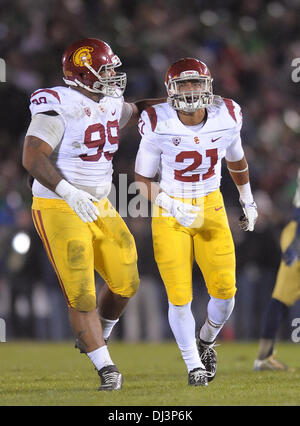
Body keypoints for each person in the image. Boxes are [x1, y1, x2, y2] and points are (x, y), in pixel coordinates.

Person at [22, 38, 164, 391]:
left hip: (101, 203)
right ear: (83, 73)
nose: (113, 75)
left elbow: (138, 110)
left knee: (127, 280)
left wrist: (176, 105)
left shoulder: (109, 103)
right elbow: (32, 157)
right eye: (105, 70)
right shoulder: (58, 105)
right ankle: (106, 367)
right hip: (60, 204)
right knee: (81, 292)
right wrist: (68, 190)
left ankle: (98, 332)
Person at [135, 58, 258, 386]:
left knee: (226, 293)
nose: (190, 91)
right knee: (179, 295)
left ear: (209, 86)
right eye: (183, 85)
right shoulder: (156, 121)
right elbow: (141, 180)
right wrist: (170, 204)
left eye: (196, 84)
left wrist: (247, 198)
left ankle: (206, 340)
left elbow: (237, 158)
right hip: (169, 210)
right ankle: (194, 366)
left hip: (210, 204)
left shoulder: (228, 114)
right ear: (170, 90)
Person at [254, 168, 300, 371]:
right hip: (297, 237)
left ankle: (264, 357)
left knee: (279, 299)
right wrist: (295, 245)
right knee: (280, 299)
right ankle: (264, 357)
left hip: (295, 237)